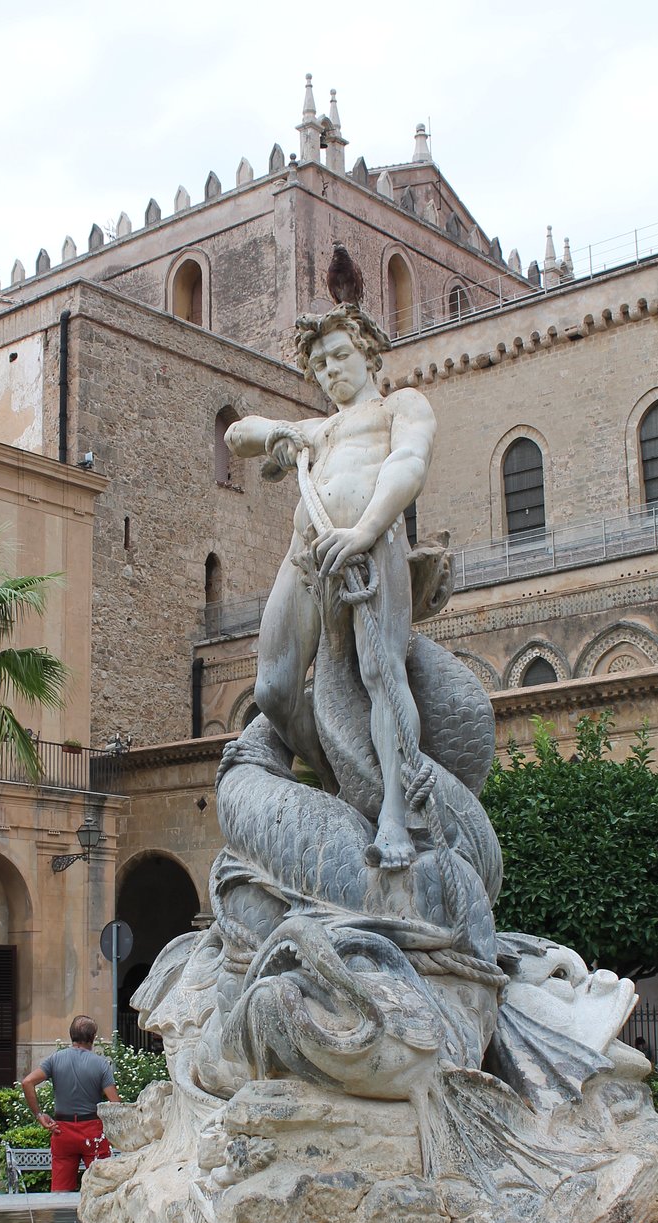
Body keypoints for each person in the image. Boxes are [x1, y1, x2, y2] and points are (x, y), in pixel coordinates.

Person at [225, 304, 436, 869]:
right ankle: (335, 780)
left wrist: (364, 529)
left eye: (340, 356)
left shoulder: (401, 406)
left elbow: (409, 465)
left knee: (382, 674)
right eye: (319, 365)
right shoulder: (316, 432)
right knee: (271, 690)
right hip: (306, 555)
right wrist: (277, 437)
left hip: (371, 546)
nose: (331, 371)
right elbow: (237, 433)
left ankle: (394, 813)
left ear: (367, 353)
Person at [21, 1015, 121, 1192]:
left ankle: (61, 1220)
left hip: (62, 1130)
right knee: (102, 1189)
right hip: (93, 1131)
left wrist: (39, 1115)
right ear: (93, 1037)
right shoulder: (101, 1064)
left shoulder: (55, 1059)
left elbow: (27, 1082)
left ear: (71, 1035)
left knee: (59, 1193)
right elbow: (116, 1104)